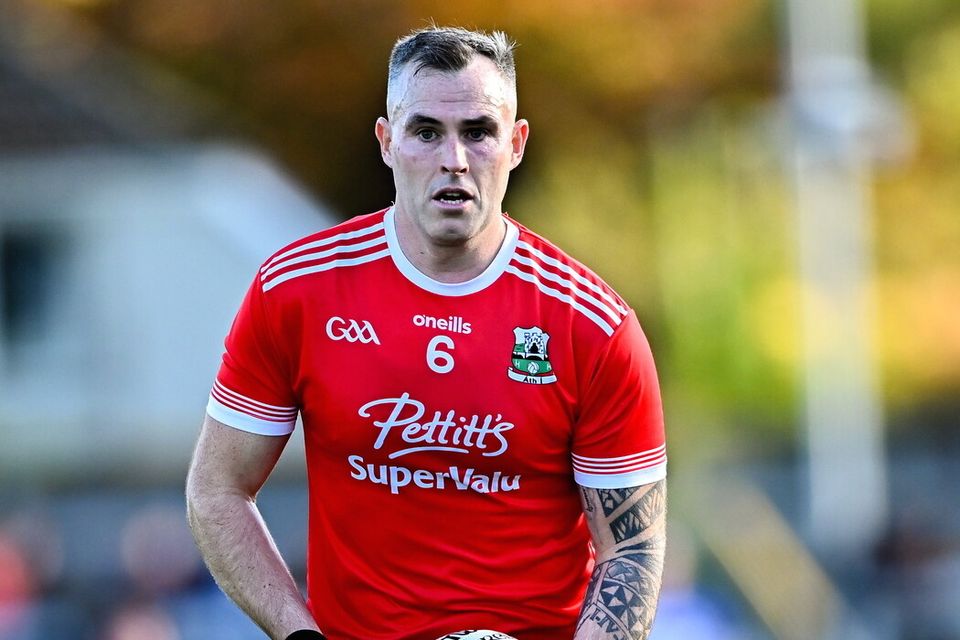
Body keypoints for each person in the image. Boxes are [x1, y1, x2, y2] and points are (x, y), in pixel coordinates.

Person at [186, 26, 667, 640]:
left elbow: (632, 551)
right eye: (426, 132)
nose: (454, 160)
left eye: (478, 132)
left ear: (515, 144)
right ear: (387, 142)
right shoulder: (296, 292)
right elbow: (217, 489)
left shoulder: (592, 327)